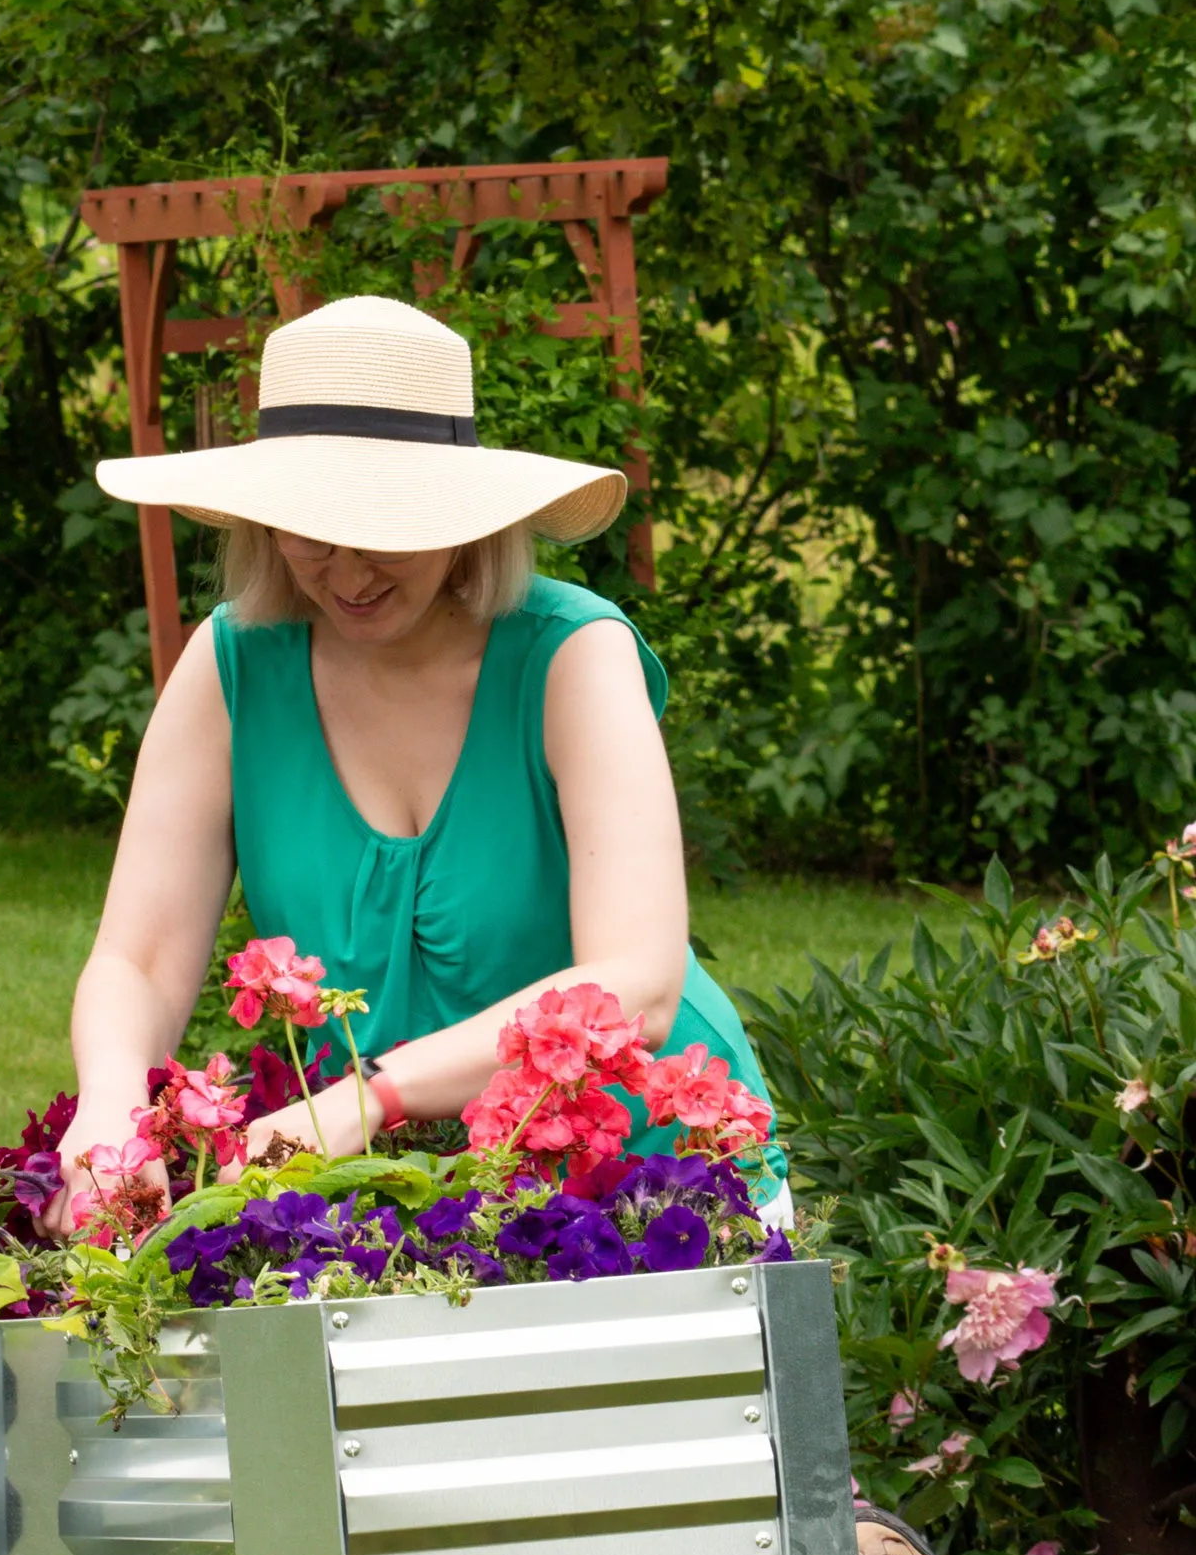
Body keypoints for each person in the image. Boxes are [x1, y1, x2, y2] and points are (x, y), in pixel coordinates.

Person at [52, 291, 787, 1218]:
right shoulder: (233, 663)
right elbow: (140, 960)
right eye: (312, 531)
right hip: (384, 1187)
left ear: (465, 518)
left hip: (654, 1186)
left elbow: (634, 982)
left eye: (387, 532)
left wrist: (369, 1098)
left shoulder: (575, 656)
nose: (350, 574)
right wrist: (113, 1104)